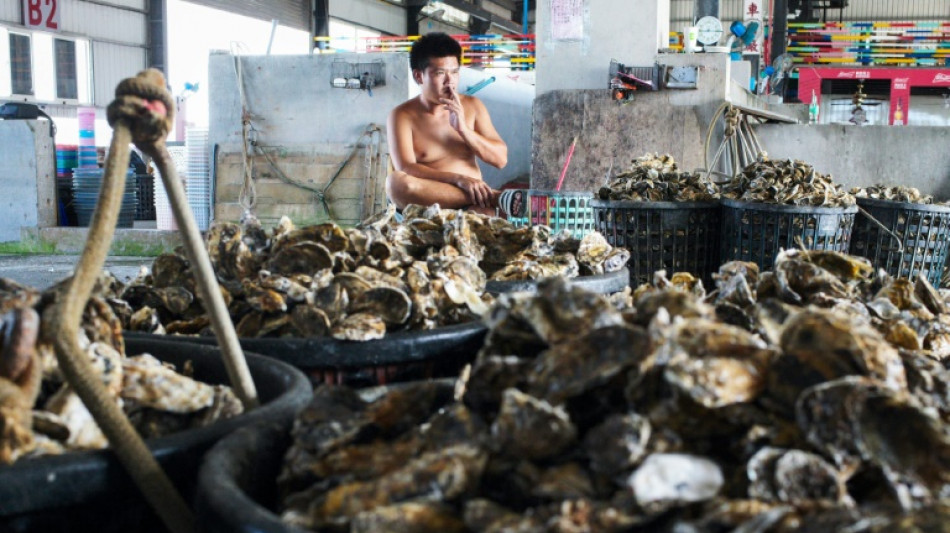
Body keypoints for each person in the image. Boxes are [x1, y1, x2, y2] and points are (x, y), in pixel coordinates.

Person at [386, 32, 507, 216]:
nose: (449, 82)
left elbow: (500, 160)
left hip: (473, 206)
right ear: (419, 76)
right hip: (428, 204)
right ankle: (493, 197)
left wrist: (464, 130)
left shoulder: (473, 106)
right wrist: (459, 180)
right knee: (395, 183)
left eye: (454, 72)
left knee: (489, 216)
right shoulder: (402, 115)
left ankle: (486, 199)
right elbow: (406, 168)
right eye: (440, 73)